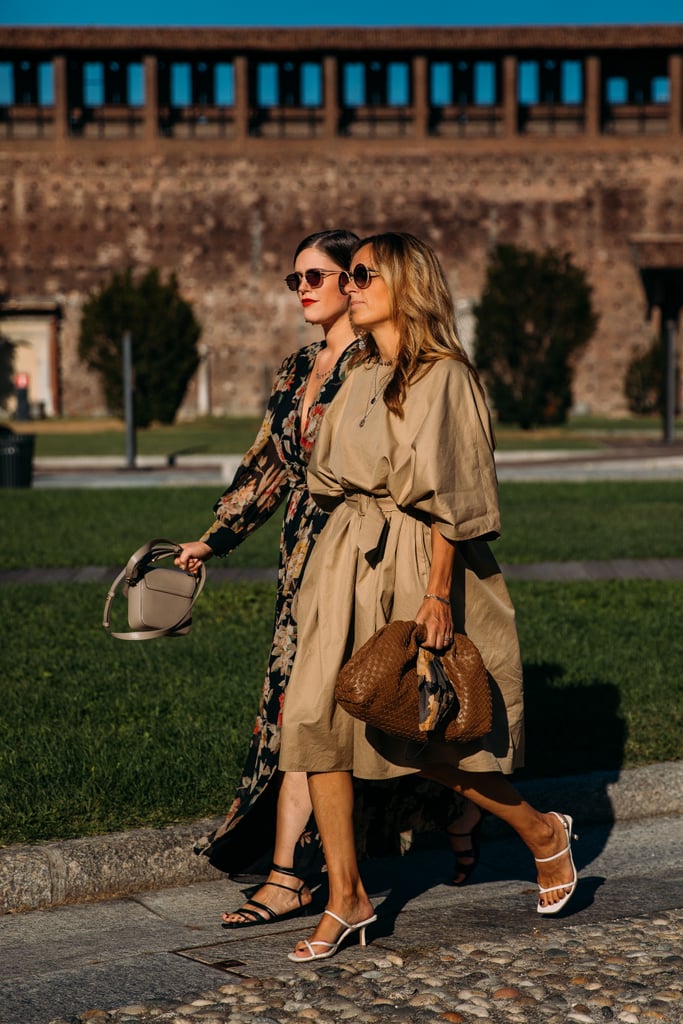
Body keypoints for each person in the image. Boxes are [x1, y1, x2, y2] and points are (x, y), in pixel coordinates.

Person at [279, 232, 579, 963]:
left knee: (420, 732)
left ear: (404, 284)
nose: (347, 285)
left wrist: (437, 595)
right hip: (343, 559)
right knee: (314, 719)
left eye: (361, 274)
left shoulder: (445, 376)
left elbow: (455, 492)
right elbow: (322, 476)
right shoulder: (356, 377)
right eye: (344, 275)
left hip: (417, 559)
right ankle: (346, 897)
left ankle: (540, 831)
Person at [176, 230, 471, 929]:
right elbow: (268, 466)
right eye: (294, 277)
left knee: (376, 707)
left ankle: (442, 813)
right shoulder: (298, 366)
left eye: (318, 274)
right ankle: (304, 869)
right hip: (303, 561)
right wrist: (213, 540)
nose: (302, 287)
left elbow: (431, 475)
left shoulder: (389, 362)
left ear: (353, 282)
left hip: (367, 556)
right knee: (300, 711)